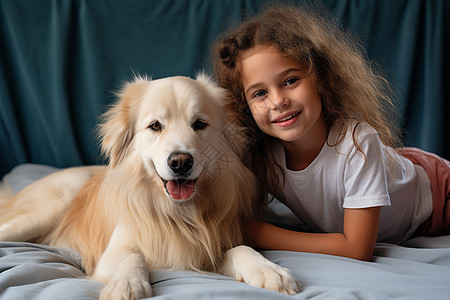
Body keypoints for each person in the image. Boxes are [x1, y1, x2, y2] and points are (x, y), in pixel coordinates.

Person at [212, 5, 450, 261]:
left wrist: (259, 234)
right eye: (260, 93)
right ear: (244, 104)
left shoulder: (358, 143)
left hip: (439, 192)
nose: (278, 101)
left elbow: (356, 249)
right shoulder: (262, 159)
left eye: (290, 81)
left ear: (320, 77)